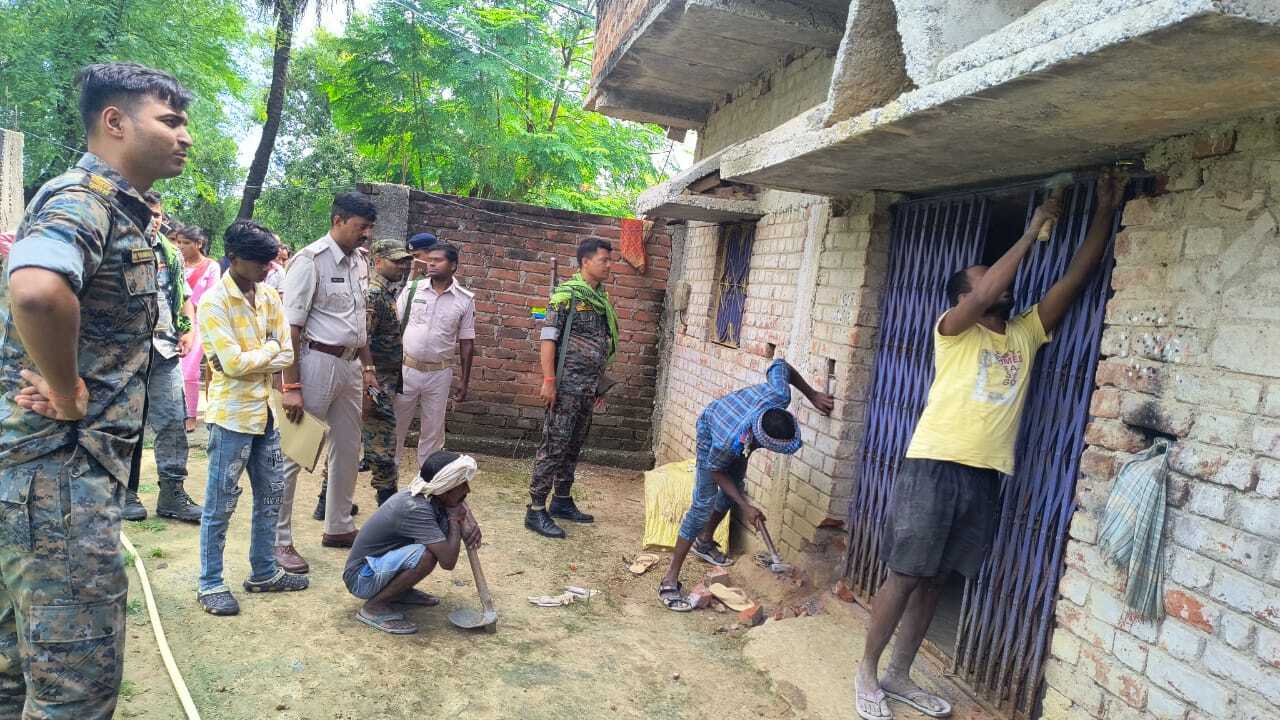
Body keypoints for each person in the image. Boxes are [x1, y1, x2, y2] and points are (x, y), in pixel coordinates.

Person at [853, 175, 1126, 720]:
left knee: (935, 580)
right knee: (905, 574)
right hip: (932, 465)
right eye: (986, 282)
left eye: (998, 279)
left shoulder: (1025, 332)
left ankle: (899, 674)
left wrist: (1105, 210)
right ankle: (866, 671)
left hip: (983, 473)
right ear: (962, 299)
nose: (1001, 286)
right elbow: (982, 295)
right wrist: (1030, 232)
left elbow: (1076, 276)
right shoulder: (952, 329)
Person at [0, 61, 192, 718]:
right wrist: (67, 392)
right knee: (75, 695)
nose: (185, 136)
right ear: (115, 122)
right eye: (170, 121)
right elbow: (36, 290)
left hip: (32, 478)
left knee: (12, 674)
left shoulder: (118, 210)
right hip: (58, 487)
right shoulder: (84, 199)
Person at [196, 220, 309, 615]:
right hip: (231, 418)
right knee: (220, 504)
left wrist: (257, 357)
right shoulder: (213, 302)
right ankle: (210, 583)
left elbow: (287, 354)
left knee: (271, 496)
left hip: (265, 414)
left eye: (270, 260)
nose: (268, 267)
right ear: (234, 258)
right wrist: (269, 351)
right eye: (260, 261)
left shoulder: (269, 295)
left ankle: (263, 571)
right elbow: (232, 364)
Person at [656, 359, 834, 610]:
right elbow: (716, 470)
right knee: (703, 505)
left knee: (735, 487)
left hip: (740, 429)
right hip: (712, 427)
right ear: (760, 440)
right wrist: (746, 506)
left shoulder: (780, 395)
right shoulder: (725, 443)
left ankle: (704, 542)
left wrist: (813, 394)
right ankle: (670, 577)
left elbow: (780, 365)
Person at [275, 192, 378, 573]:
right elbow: (291, 328)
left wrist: (368, 368)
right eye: (361, 227)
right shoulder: (309, 260)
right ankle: (278, 540)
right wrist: (292, 386)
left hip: (350, 366)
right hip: (316, 362)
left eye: (370, 228)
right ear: (338, 220)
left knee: (348, 449)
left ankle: (339, 526)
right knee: (297, 451)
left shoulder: (359, 261)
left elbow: (359, 320)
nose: (367, 234)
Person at [524, 238, 618, 539]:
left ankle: (562, 500)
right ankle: (535, 509)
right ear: (585, 262)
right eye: (604, 260)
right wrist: (549, 381)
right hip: (565, 387)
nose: (609, 265)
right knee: (554, 446)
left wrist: (598, 384)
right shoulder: (565, 296)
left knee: (573, 445)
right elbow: (548, 339)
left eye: (609, 260)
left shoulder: (599, 298)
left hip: (588, 388)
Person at [122, 192, 202, 523]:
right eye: (147, 213)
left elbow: (183, 298)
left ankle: (172, 494)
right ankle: (124, 492)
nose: (153, 220)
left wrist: (188, 330)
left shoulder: (170, 252)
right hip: (124, 355)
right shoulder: (114, 248)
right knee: (126, 425)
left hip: (165, 351)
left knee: (172, 422)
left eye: (158, 214)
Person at [344, 450, 481, 635]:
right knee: (426, 556)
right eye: (462, 485)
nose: (467, 490)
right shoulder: (416, 507)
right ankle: (373, 607)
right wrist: (455, 520)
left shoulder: (433, 496)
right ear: (444, 489)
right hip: (361, 579)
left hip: (377, 567)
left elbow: (457, 501)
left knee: (427, 548)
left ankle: (400, 592)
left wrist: (467, 516)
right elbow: (448, 561)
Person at [394, 238, 475, 477]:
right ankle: (388, 481)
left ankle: (427, 482)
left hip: (439, 373)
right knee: (396, 426)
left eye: (438, 261)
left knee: (432, 431)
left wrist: (464, 381)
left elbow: (467, 342)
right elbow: (393, 325)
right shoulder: (412, 290)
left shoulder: (464, 299)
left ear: (453, 265)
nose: (431, 264)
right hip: (406, 369)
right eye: (429, 260)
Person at [364, 239, 413, 506]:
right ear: (378, 261)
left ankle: (327, 500)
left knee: (357, 439)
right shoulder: (374, 295)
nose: (402, 267)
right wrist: (368, 377)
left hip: (385, 378)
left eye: (405, 262)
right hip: (376, 380)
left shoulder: (386, 293)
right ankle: (388, 505)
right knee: (383, 442)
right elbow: (363, 339)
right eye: (396, 261)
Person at [176, 224, 220, 433]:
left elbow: (210, 297)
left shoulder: (211, 267)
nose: (180, 246)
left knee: (189, 371)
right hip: (173, 322)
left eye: (186, 243)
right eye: (178, 242)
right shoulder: (175, 262)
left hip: (198, 323)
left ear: (199, 244)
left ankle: (190, 414)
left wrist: (189, 309)